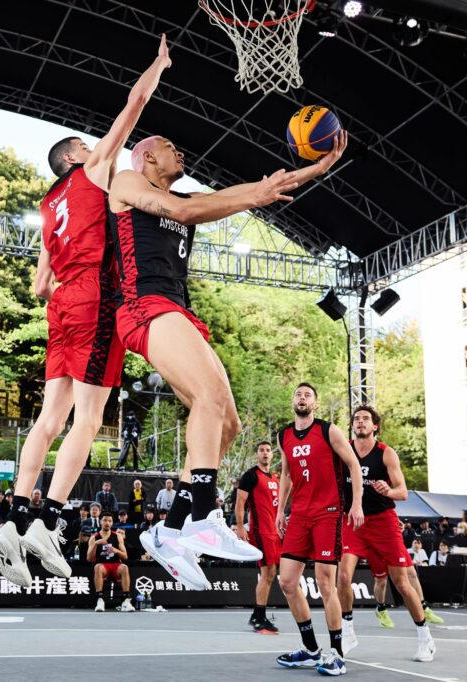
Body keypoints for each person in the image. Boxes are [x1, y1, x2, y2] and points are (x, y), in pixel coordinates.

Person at [116, 133, 347, 585]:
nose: (180, 150)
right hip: (145, 304)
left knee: (227, 424)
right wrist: (255, 195)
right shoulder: (127, 181)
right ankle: (205, 514)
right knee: (209, 396)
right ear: (147, 156)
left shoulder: (186, 198)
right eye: (169, 145)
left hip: (176, 310)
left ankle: (170, 530)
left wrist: (314, 170)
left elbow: (247, 193)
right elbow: (183, 212)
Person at [0, 34, 173, 589]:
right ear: (73, 156)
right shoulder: (92, 170)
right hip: (95, 294)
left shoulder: (49, 206)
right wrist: (158, 64)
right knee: (89, 419)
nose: (96, 147)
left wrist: (64, 273)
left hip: (64, 302)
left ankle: (13, 518)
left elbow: (39, 284)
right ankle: (50, 520)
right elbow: (133, 106)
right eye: (86, 145)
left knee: (49, 419)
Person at [274, 384, 364, 675]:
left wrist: (357, 504)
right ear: (293, 400)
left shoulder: (328, 431)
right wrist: (280, 510)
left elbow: (353, 465)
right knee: (287, 582)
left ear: (315, 403)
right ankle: (311, 649)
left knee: (326, 584)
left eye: (307, 395)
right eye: (298, 394)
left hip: (328, 513)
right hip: (299, 515)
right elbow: (286, 474)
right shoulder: (284, 435)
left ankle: (337, 653)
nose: (302, 398)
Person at [337, 406, 437, 663]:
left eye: (365, 419)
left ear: (375, 426)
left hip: (383, 522)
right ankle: (347, 632)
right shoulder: (344, 450)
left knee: (401, 582)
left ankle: (425, 637)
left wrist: (388, 491)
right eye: (356, 419)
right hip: (354, 520)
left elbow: (402, 491)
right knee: (343, 575)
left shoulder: (386, 453)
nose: (360, 422)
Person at [234, 440, 282, 634]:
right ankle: (259, 619)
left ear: (272, 454)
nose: (265, 453)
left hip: (274, 531)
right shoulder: (251, 475)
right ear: (257, 454)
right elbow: (240, 503)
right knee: (267, 571)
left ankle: (257, 615)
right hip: (260, 531)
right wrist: (240, 526)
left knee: (271, 573)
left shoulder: (275, 478)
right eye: (261, 450)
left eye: (268, 450)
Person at [87, 512, 134, 612]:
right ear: (100, 522)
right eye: (105, 520)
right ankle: (100, 600)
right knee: (98, 567)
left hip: (116, 564)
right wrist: (96, 544)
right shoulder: (94, 537)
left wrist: (115, 550)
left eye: (109, 521)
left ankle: (126, 601)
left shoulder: (118, 536)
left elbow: (125, 556)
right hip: (102, 565)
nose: (107, 523)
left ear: (112, 523)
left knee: (124, 567)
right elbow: (89, 558)